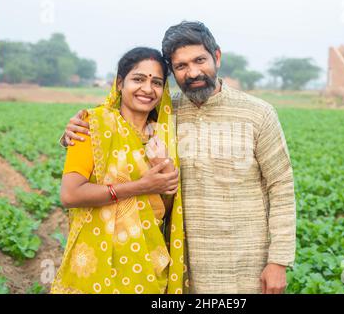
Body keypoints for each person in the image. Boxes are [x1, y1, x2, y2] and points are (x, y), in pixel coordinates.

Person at [61, 21, 296, 294]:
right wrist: (74, 131)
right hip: (181, 265)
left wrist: (278, 261)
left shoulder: (258, 113)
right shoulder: (164, 112)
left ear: (216, 57)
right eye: (181, 66)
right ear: (173, 72)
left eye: (199, 60)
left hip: (246, 265)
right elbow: (117, 128)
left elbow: (281, 186)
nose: (193, 72)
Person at [51, 47, 186, 294]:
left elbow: (163, 209)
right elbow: (70, 195)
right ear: (120, 83)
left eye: (156, 82)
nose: (147, 89)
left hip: (146, 263)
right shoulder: (93, 125)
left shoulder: (163, 138)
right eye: (138, 79)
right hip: (96, 261)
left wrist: (162, 166)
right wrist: (140, 186)